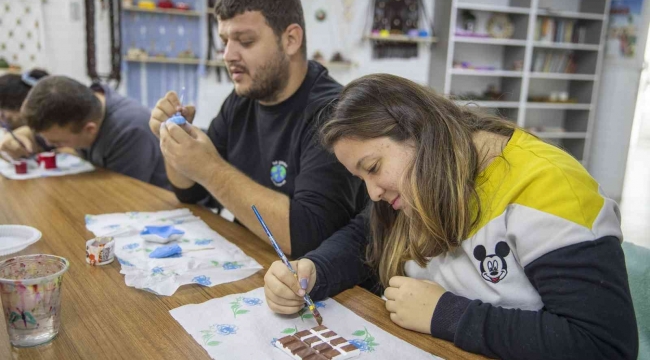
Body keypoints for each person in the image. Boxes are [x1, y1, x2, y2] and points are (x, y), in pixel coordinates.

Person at [263, 74, 638, 359]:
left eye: (373, 167)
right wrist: (315, 270)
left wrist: (448, 314)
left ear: (417, 131)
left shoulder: (549, 188)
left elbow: (603, 344)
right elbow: (364, 235)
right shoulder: (418, 177)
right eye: (361, 178)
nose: (373, 192)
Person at [149, 0, 366, 257]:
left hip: (315, 286)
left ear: (291, 40)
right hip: (255, 260)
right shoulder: (242, 100)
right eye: (224, 41)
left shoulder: (332, 113)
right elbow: (189, 191)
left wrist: (210, 169)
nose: (228, 55)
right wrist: (176, 144)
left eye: (245, 41)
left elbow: (308, 236)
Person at [0, 76, 169, 189]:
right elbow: (40, 136)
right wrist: (23, 135)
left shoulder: (131, 131)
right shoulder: (75, 111)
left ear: (90, 129)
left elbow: (122, 197)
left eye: (58, 143)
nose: (49, 144)